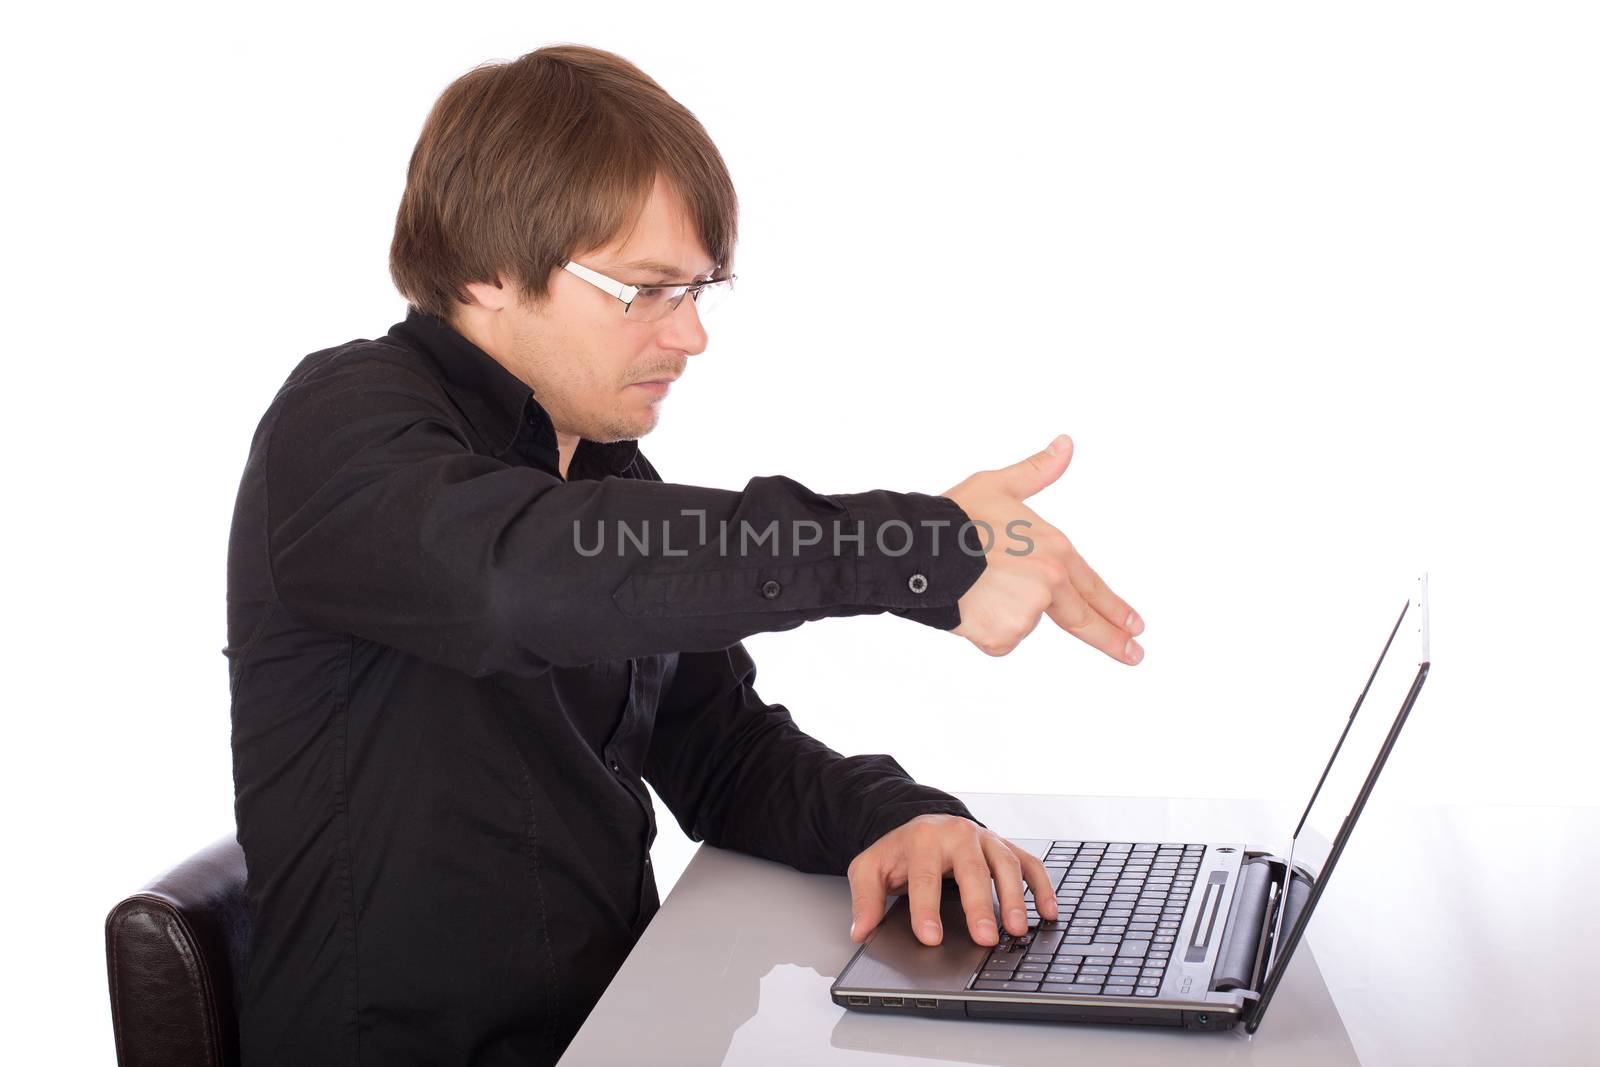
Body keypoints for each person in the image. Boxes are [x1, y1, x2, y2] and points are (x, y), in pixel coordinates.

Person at [224, 43, 1144, 1066]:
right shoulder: (343, 425)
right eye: (647, 290)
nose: (692, 335)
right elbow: (517, 577)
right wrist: (924, 543)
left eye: (701, 289)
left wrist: (904, 818)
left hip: (620, 1028)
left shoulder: (608, 475)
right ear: (485, 269)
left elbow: (721, 750)